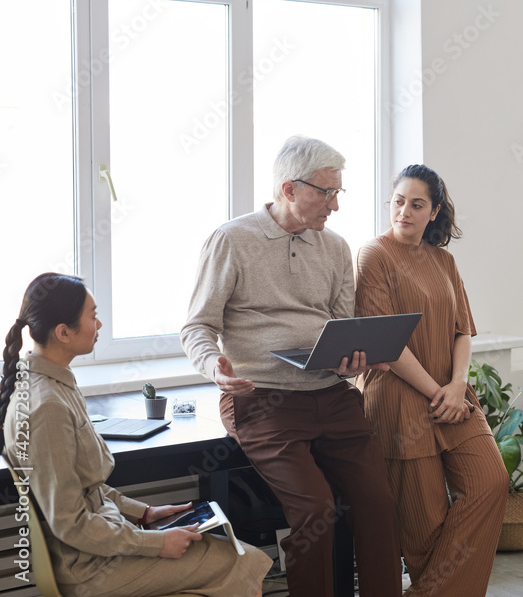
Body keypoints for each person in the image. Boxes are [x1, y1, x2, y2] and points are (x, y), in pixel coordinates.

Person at [180, 136, 401, 596]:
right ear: (289, 189)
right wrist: (215, 370)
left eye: (339, 192)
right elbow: (197, 326)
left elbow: (342, 326)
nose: (335, 205)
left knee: (379, 501)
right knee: (315, 511)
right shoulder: (231, 240)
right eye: (326, 192)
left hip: (332, 395)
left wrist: (354, 360)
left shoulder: (337, 248)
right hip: (261, 399)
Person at [1, 273, 271, 597]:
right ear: (63, 333)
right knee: (241, 561)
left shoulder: (55, 385)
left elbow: (88, 490)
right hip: (91, 569)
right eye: (93, 316)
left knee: (230, 553)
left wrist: (144, 513)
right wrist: (155, 543)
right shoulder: (46, 408)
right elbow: (70, 523)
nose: (99, 325)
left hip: (102, 547)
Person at [354, 163, 507, 597]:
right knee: (424, 533)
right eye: (398, 202)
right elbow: (385, 342)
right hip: (400, 403)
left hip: (454, 396)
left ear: (434, 211)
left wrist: (458, 385)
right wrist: (438, 391)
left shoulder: (444, 259)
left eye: (416, 204)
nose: (404, 211)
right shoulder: (374, 255)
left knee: (490, 482)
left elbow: (462, 330)